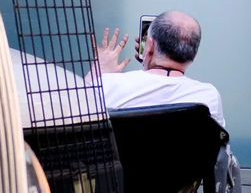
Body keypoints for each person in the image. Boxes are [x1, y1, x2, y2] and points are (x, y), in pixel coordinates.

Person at [91, 11, 225, 127]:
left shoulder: (107, 85)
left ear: (149, 45)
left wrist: (97, 73)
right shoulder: (208, 96)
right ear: (194, 54)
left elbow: (75, 119)